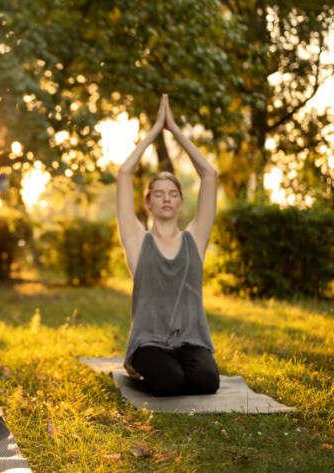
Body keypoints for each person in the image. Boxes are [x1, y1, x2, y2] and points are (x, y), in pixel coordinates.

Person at [115, 94, 220, 396]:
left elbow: (209, 174)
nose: (166, 198)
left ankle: (175, 365)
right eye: (158, 193)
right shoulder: (138, 242)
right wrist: (154, 131)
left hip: (189, 340)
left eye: (172, 193)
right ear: (147, 202)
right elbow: (124, 173)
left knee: (206, 382)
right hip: (149, 342)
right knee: (169, 383)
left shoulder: (194, 239)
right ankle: (136, 364)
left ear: (180, 201)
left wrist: (174, 129)